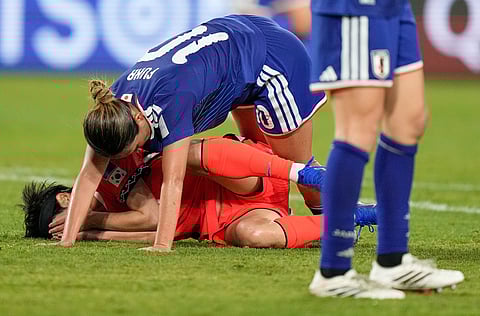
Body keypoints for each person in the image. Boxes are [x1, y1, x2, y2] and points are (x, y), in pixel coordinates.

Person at [59, 14, 328, 251]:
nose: (132, 157)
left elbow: (173, 182)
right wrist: (68, 240)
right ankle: (281, 215)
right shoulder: (111, 108)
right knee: (258, 150)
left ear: (140, 120)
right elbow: (88, 175)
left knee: (299, 167)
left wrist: (162, 245)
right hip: (238, 51)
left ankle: (335, 224)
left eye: (134, 148)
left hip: (274, 60)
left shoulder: (171, 101)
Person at [307, 0, 464, 299]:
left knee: (409, 120)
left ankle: (393, 260)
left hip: (392, 1)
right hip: (354, 2)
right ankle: (333, 271)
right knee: (358, 127)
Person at [20, 136, 377, 247]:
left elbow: (153, 215)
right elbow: (159, 231)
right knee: (254, 236)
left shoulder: (108, 172)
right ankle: (351, 219)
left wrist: (90, 221)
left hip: (236, 175)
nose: (65, 228)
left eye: (60, 222)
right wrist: (93, 233)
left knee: (189, 154)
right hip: (226, 219)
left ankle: (304, 173)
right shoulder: (104, 226)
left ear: (66, 200)